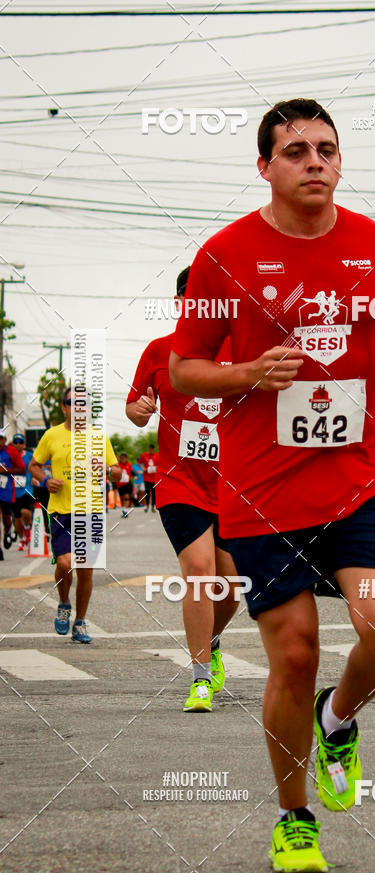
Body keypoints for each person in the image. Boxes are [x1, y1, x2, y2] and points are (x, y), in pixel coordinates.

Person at [170, 98, 375, 873]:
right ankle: (295, 816)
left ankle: (337, 719)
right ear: (265, 166)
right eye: (297, 151)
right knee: (297, 652)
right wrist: (246, 372)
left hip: (361, 476)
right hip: (262, 493)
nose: (315, 161)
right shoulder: (224, 257)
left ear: (340, 161)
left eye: (326, 149)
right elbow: (185, 368)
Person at [126, 267, 238, 712]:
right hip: (179, 481)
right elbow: (134, 408)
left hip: (233, 484)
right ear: (179, 302)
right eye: (194, 297)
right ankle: (200, 680)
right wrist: (140, 409)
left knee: (231, 587)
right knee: (199, 570)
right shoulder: (159, 351)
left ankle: (211, 640)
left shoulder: (239, 350)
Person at [29, 388, 121, 643]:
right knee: (64, 563)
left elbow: (118, 473)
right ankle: (63, 603)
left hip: (91, 513)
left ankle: (80, 622)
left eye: (84, 403)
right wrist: (45, 480)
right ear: (64, 407)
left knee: (86, 571)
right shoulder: (52, 435)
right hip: (61, 511)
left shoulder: (99, 437)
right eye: (73, 402)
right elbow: (33, 465)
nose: (79, 407)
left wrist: (106, 470)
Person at [0, 429, 26, 559]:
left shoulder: (11, 451)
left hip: (7, 491)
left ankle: (7, 532)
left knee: (6, 518)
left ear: (5, 440)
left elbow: (22, 470)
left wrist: (6, 470)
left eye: (1, 439)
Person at [11, 434, 34, 551]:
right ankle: (22, 539)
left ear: (24, 444)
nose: (18, 444)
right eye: (16, 442)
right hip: (13, 490)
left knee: (26, 512)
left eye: (20, 442)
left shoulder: (29, 456)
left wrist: (35, 478)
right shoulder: (9, 456)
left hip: (27, 489)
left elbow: (36, 467)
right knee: (17, 517)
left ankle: (27, 527)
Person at [138, 443, 158, 512]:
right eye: (150, 449)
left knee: (154, 492)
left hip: (154, 477)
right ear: (149, 449)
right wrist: (142, 467)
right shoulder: (144, 455)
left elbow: (160, 464)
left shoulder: (156, 456)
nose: (151, 450)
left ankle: (153, 506)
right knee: (147, 492)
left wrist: (156, 468)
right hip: (146, 477)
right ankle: (147, 506)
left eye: (152, 449)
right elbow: (139, 462)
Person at [116, 451, 134, 517]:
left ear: (126, 459)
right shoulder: (117, 465)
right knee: (122, 497)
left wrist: (135, 474)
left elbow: (132, 472)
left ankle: (126, 510)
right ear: (120, 459)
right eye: (122, 458)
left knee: (127, 497)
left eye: (124, 458)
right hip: (120, 484)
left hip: (127, 483)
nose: (123, 459)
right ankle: (124, 509)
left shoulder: (129, 465)